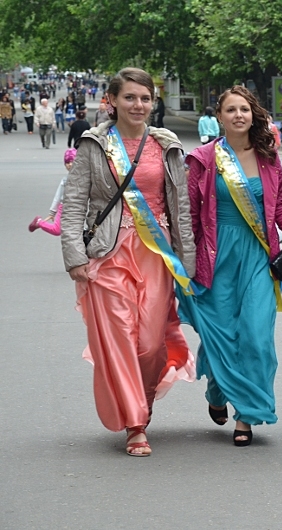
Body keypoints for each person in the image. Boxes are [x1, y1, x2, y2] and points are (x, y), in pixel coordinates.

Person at [60, 67, 196, 457]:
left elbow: (180, 207)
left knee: (152, 344)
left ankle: (144, 397)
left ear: (153, 103)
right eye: (130, 98)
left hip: (156, 255)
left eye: (145, 98)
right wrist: (74, 257)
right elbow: (74, 206)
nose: (138, 105)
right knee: (120, 337)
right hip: (108, 255)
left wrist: (186, 260)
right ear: (113, 101)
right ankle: (135, 424)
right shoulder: (94, 145)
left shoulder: (166, 144)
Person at [177, 86, 282, 447]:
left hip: (258, 257)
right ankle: (218, 390)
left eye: (244, 110)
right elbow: (188, 214)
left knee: (255, 334)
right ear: (219, 116)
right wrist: (185, 260)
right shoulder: (203, 159)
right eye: (231, 110)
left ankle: (247, 414)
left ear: (254, 115)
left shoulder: (268, 157)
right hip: (215, 257)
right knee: (220, 333)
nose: (238, 115)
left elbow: (281, 207)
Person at [29, 148, 77, 235]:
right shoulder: (65, 180)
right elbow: (58, 196)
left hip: (78, 208)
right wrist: (52, 212)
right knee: (57, 230)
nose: (70, 164)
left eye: (72, 162)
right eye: (67, 162)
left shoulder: (84, 178)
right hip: (65, 207)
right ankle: (39, 222)